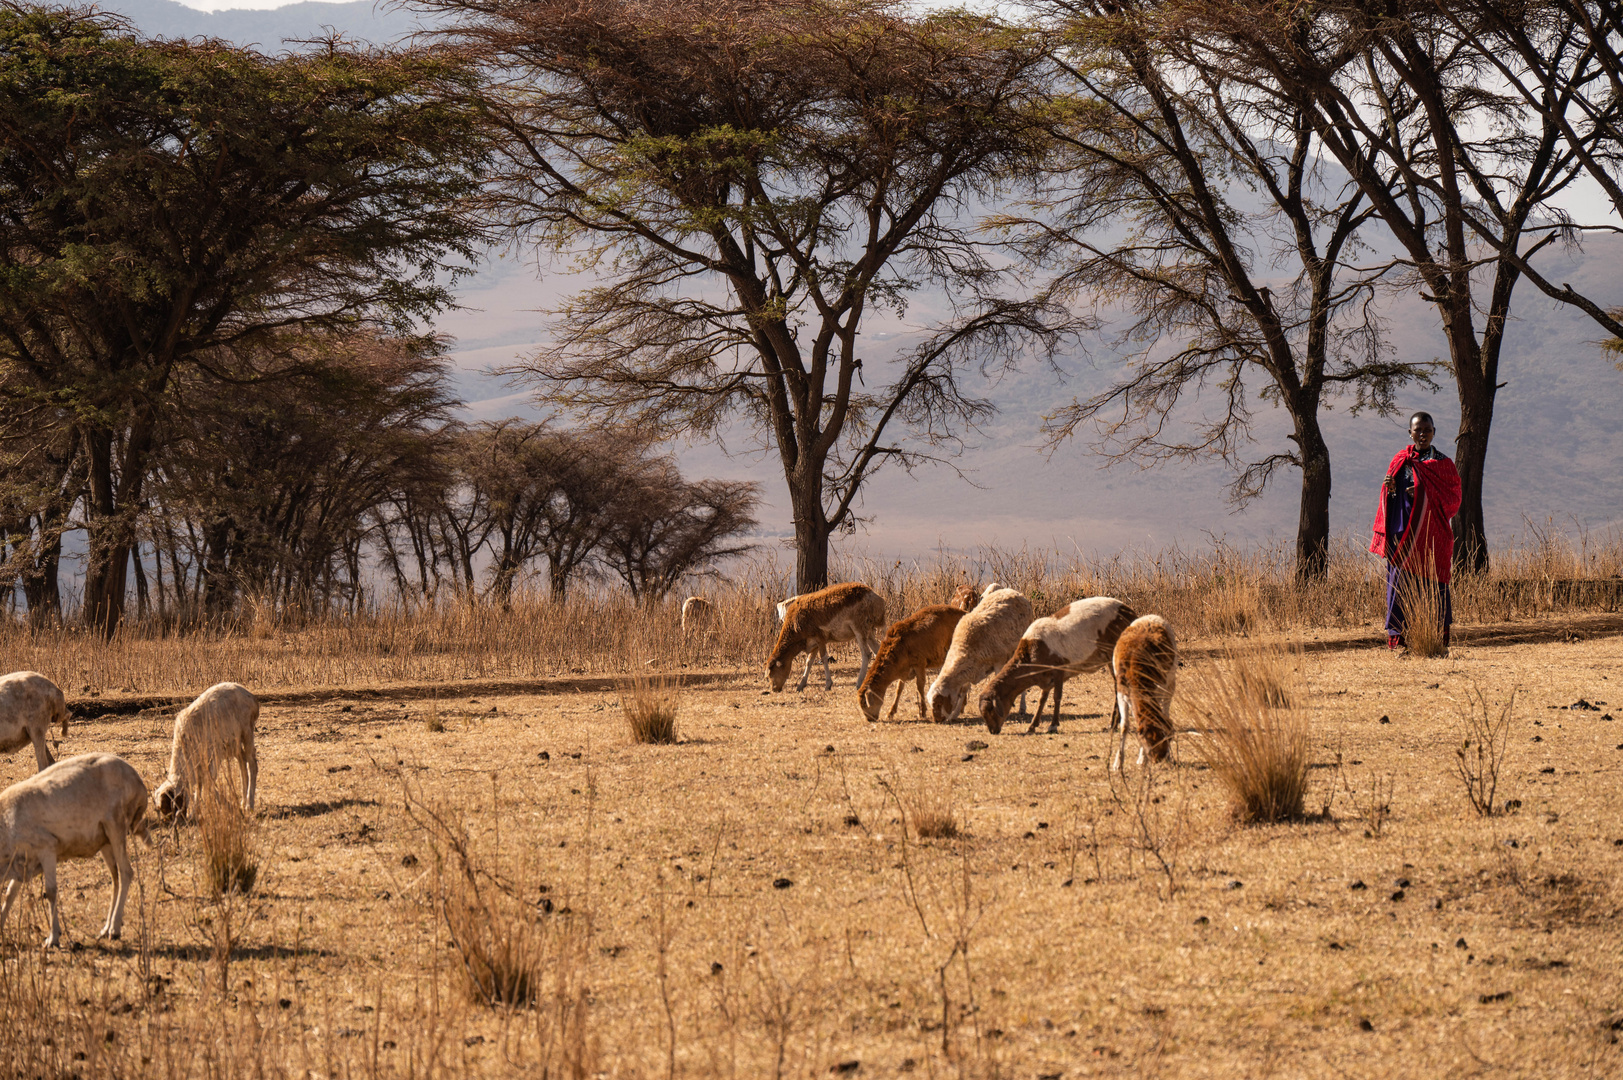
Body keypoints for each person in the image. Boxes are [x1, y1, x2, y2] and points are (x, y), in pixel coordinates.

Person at [1370, 412, 1462, 652]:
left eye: (1427, 430)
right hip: (1403, 536)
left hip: (1432, 536)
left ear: (1434, 432)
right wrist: (1391, 490)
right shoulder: (1400, 460)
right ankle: (1400, 638)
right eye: (1417, 430)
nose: (1422, 434)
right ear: (1409, 433)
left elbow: (1454, 500)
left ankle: (1433, 638)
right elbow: (1390, 497)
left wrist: (1424, 495)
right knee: (1400, 584)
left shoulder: (1443, 464)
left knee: (1433, 582)